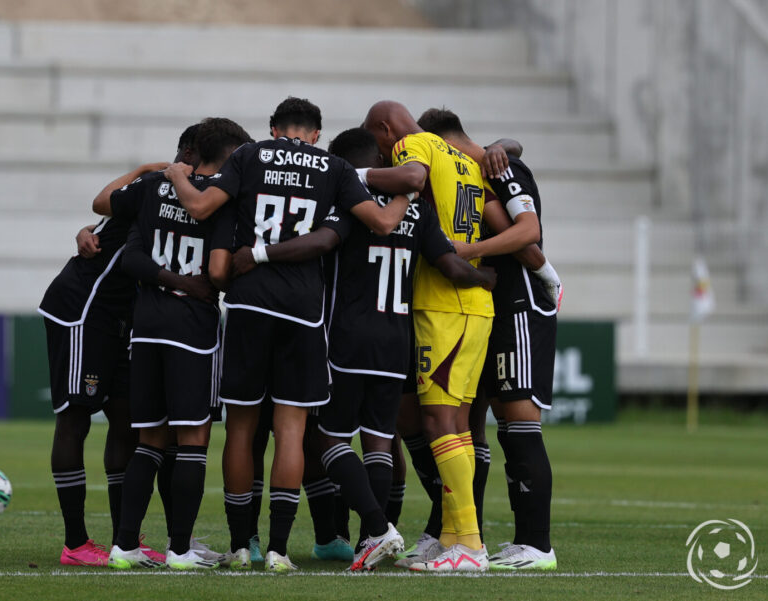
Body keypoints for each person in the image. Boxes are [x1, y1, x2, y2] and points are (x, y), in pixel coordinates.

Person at [232, 126, 496, 570]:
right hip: (397, 342)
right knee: (379, 440)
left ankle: (377, 527)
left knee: (328, 437)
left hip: (346, 338)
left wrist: (261, 254)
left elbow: (322, 242)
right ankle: (366, 544)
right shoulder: (417, 208)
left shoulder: (346, 206)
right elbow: (451, 264)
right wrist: (485, 278)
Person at [166, 97, 409, 572]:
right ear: (316, 134)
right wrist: (409, 192)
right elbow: (382, 222)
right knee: (291, 429)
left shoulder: (250, 155)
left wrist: (176, 173)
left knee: (241, 428)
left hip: (248, 302)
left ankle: (241, 546)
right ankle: (279, 549)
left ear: (274, 129)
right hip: (302, 311)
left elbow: (199, 207)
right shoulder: (335, 166)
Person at [361, 100, 531, 572]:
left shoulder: (415, 144)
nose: (384, 154)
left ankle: (471, 545)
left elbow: (412, 180)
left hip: (442, 303)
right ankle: (455, 537)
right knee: (454, 425)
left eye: (379, 144)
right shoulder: (466, 158)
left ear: (385, 128)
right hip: (473, 306)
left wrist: (356, 176)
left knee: (439, 424)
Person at [38, 127, 197, 567]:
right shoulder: (156, 187)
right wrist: (147, 168)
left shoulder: (190, 196)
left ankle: (125, 539)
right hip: (84, 309)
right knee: (75, 418)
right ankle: (75, 543)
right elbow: (101, 205)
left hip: (125, 319)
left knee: (128, 418)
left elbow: (103, 219)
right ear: (187, 157)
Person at [106, 118, 253, 570]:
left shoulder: (154, 186)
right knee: (192, 440)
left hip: (146, 325)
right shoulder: (223, 201)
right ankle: (181, 550)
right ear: (229, 156)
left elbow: (127, 248)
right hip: (192, 330)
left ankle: (124, 546)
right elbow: (216, 272)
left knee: (149, 440)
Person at [418, 107, 560, 571]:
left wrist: (470, 251)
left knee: (518, 423)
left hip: (518, 304)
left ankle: (536, 545)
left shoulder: (505, 168)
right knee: (469, 425)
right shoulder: (481, 166)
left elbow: (529, 231)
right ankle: (456, 535)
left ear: (444, 142)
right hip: (482, 309)